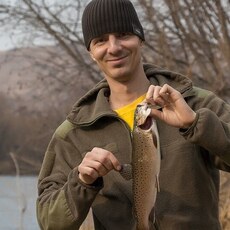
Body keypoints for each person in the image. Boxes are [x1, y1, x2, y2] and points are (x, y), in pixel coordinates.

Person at [36, 0, 230, 229]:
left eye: (123, 34)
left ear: (140, 38)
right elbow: (50, 221)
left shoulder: (194, 102)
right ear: (91, 52)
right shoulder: (74, 133)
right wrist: (82, 182)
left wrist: (195, 123)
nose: (114, 47)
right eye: (100, 41)